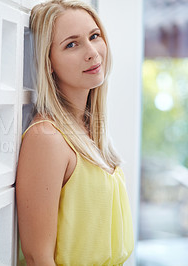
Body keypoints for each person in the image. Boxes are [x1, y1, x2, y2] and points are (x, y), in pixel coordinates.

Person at [16, 0, 134, 265]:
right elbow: (38, 259)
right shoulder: (47, 138)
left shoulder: (90, 132)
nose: (92, 52)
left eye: (94, 36)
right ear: (48, 62)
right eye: (72, 44)